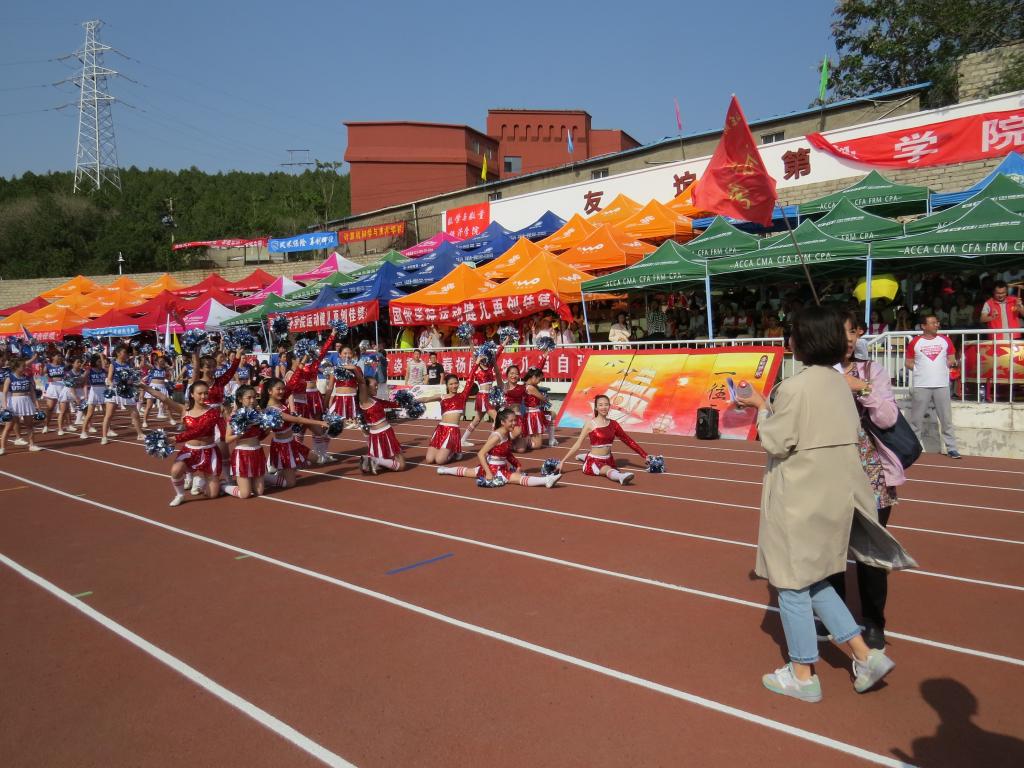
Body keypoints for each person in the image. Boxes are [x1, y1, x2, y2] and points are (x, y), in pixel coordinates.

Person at [735, 304, 915, 703]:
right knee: (814, 579)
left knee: (790, 583)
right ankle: (865, 656)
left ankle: (802, 673)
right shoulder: (843, 384)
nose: (790, 340)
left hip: (799, 495)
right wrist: (767, 405)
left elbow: (776, 440)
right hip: (836, 494)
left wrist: (760, 407)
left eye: (794, 333)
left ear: (804, 340)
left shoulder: (795, 388)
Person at [827, 314, 908, 650]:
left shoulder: (872, 370)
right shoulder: (819, 375)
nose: (846, 338)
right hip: (830, 471)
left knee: (870, 553)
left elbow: (888, 418)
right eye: (838, 332)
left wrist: (862, 389)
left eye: (850, 331)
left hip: (872, 474)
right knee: (830, 549)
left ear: (858, 333)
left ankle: (874, 623)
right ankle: (836, 617)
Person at [141, 379, 224, 507]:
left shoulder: (213, 412)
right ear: (192, 394)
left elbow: (199, 431)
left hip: (209, 451)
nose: (203, 396)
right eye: (200, 393)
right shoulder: (185, 410)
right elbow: (162, 397)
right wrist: (143, 386)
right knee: (175, 471)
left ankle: (200, 480)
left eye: (206, 393)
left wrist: (175, 439)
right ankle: (180, 495)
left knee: (212, 494)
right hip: (190, 450)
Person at [436, 407, 560, 487]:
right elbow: (481, 454)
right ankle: (546, 481)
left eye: (514, 420)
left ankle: (444, 470)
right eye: (511, 421)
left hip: (502, 466)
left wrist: (517, 465)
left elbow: (506, 453)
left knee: (469, 472)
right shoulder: (496, 436)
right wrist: (489, 473)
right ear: (503, 422)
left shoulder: (507, 434)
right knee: (518, 478)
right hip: (493, 468)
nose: (514, 423)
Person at [557, 395, 647, 485]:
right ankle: (620, 477)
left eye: (606, 404)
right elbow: (577, 444)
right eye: (600, 405)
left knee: (607, 465)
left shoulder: (614, 424)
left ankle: (583, 456)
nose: (603, 407)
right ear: (596, 407)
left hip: (609, 459)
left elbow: (627, 440)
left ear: (609, 407)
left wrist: (645, 455)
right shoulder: (590, 424)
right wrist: (562, 461)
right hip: (594, 461)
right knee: (608, 470)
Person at [906, 314, 961, 459]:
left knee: (946, 419)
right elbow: (908, 362)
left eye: (937, 322)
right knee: (916, 419)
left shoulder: (945, 340)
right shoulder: (915, 342)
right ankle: (914, 448)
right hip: (921, 385)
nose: (936, 325)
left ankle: (952, 448)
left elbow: (951, 358)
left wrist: (950, 363)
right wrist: (919, 369)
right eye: (932, 323)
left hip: (941, 384)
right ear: (923, 326)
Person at [222, 385, 269, 500]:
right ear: (240, 399)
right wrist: (242, 432)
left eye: (254, 397)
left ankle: (267, 477)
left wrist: (269, 427)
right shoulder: (235, 416)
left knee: (259, 492)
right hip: (242, 454)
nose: (252, 400)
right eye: (249, 397)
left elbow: (260, 437)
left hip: (257, 452)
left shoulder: (258, 414)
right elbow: (227, 439)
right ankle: (223, 486)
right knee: (245, 494)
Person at [420, 374, 476, 465]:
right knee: (429, 460)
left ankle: (454, 451)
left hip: (452, 431)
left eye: (456, 383)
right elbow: (426, 399)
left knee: (439, 460)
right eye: (451, 384)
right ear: (446, 385)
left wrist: (476, 364)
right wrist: (411, 400)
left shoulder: (462, 396)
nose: (454, 386)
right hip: (440, 430)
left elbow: (470, 380)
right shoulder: (442, 396)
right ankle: (450, 450)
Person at [100, 345, 145, 445]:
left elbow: (132, 376)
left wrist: (131, 382)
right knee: (109, 414)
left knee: (135, 413)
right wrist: (113, 385)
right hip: (115, 391)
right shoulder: (113, 364)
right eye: (124, 352)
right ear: (118, 353)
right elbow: (110, 379)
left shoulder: (128, 365)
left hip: (126, 391)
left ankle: (140, 434)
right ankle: (104, 436)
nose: (126, 354)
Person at [0, 358, 41, 455]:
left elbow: (32, 393)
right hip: (14, 402)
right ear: (16, 367)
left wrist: (37, 405)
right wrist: (5, 406)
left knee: (29, 425)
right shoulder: (10, 378)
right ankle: (2, 448)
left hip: (26, 401)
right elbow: (5, 393)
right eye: (23, 366)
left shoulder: (27, 377)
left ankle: (32, 445)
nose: (25, 367)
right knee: (8, 427)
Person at [462, 348, 502, 448]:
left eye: (486, 356)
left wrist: (505, 341)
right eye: (482, 356)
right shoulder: (477, 367)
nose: (484, 357)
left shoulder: (489, 366)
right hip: (483, 396)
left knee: (477, 420)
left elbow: (497, 354)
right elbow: (473, 352)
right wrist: (470, 339)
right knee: (497, 417)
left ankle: (463, 439)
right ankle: (493, 441)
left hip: (490, 395)